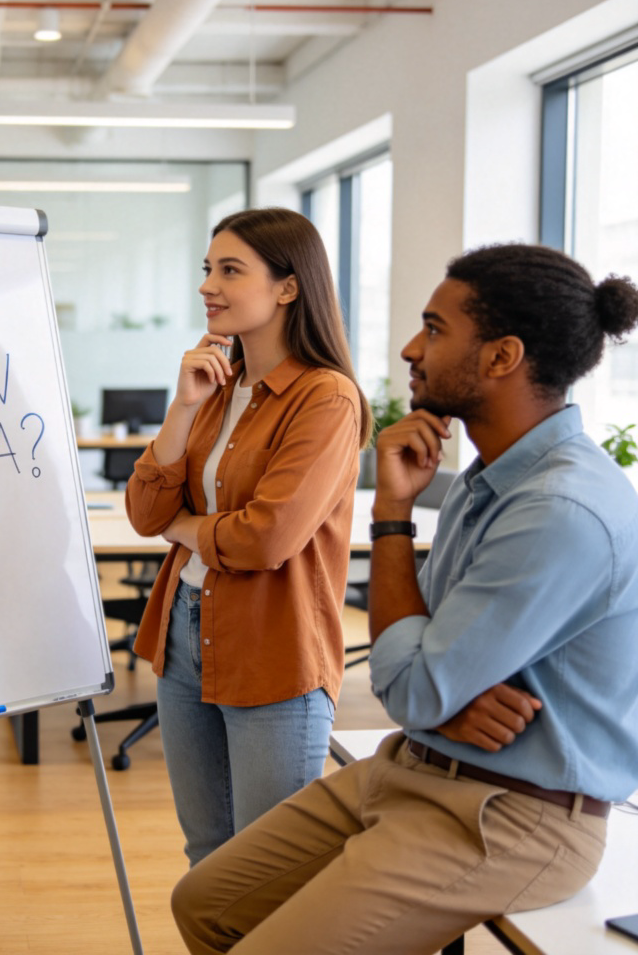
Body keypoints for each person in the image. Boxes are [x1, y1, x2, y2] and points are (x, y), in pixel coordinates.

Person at [171, 243, 638, 954]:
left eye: (435, 328)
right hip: (414, 765)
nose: (410, 348)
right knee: (206, 903)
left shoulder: (559, 508)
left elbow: (415, 685)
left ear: (502, 356)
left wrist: (391, 520)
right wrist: (443, 696)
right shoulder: (491, 480)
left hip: (511, 815)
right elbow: (428, 675)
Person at [124, 207, 371, 866]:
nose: (209, 285)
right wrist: (182, 408)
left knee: (267, 864)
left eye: (230, 270)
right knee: (208, 852)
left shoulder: (326, 398)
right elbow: (146, 513)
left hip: (276, 643)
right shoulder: (215, 386)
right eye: (208, 268)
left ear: (288, 287)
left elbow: (266, 540)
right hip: (184, 631)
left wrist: (184, 527)